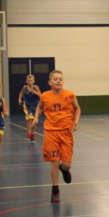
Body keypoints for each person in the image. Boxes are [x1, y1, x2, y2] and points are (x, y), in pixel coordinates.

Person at [34, 70, 80, 204]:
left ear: (63, 82)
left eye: (60, 79)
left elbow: (77, 109)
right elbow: (40, 107)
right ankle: (55, 190)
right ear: (50, 82)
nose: (58, 81)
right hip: (51, 133)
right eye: (55, 79)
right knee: (54, 160)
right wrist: (36, 117)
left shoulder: (70, 95)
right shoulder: (45, 96)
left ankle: (64, 170)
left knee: (66, 164)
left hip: (66, 132)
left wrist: (75, 122)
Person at [18, 74, 42, 141]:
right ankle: (29, 132)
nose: (30, 82)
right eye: (29, 81)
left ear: (34, 81)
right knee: (29, 118)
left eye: (31, 80)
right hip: (27, 105)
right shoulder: (25, 87)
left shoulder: (36, 87)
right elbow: (21, 93)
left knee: (33, 120)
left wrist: (36, 93)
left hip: (35, 105)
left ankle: (32, 133)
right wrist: (19, 99)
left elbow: (41, 95)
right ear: (26, 81)